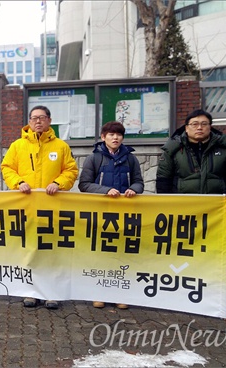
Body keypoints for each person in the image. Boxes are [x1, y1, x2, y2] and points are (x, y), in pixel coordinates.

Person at [1, 105, 79, 309]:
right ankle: (31, 291)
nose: (37, 121)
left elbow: (71, 170)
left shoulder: (60, 146)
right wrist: (18, 182)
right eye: (34, 118)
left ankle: (51, 293)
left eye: (41, 118)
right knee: (29, 249)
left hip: (53, 207)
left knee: (52, 250)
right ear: (29, 121)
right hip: (26, 207)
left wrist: (58, 183)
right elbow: (7, 168)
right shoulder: (18, 145)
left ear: (49, 121)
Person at [78, 121, 144, 310]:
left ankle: (120, 294)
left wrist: (133, 189)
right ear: (103, 137)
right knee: (101, 254)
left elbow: (139, 182)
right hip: (101, 213)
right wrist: (106, 190)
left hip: (125, 213)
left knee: (122, 254)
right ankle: (99, 293)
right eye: (111, 134)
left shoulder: (131, 159)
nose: (115, 138)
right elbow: (84, 185)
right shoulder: (94, 158)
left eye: (119, 134)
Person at [156, 109, 226, 200]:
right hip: (182, 206)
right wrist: (166, 203)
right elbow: (163, 179)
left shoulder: (224, 148)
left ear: (210, 127)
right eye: (194, 124)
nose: (199, 127)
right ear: (186, 128)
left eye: (204, 124)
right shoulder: (173, 149)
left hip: (216, 205)